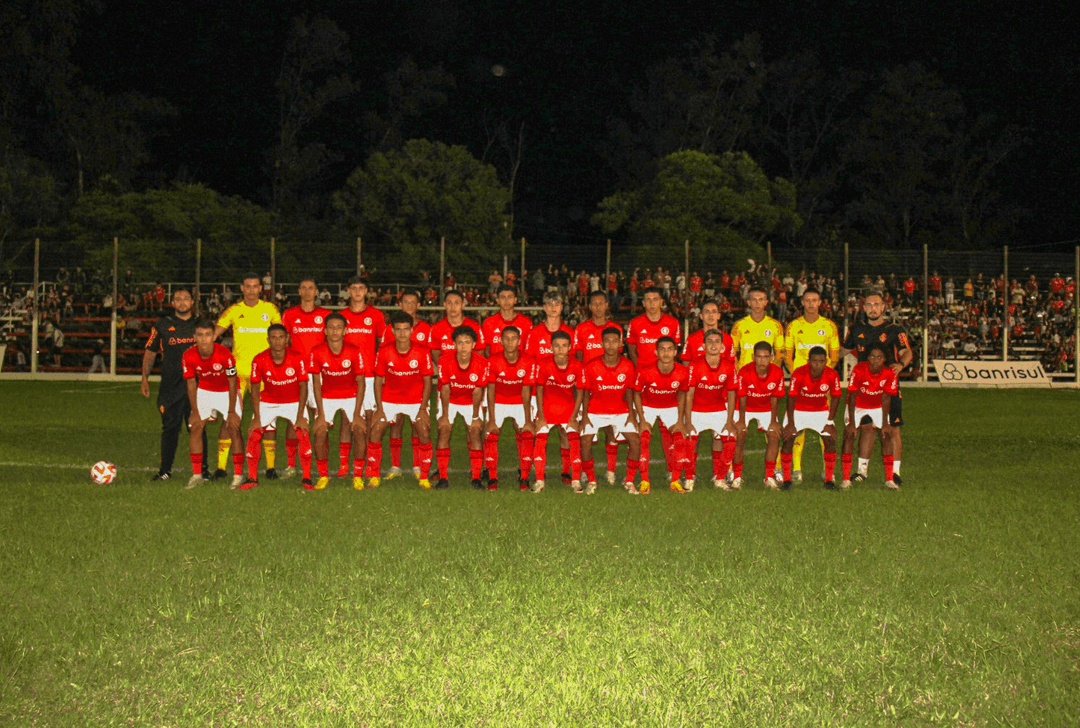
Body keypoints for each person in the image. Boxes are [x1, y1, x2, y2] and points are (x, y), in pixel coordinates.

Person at [839, 289, 913, 485]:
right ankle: (861, 472)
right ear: (864, 308)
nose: (873, 308)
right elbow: (844, 350)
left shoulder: (895, 329)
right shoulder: (856, 328)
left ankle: (895, 473)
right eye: (869, 305)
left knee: (892, 429)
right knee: (866, 428)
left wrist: (901, 364)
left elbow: (907, 352)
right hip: (864, 387)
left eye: (876, 305)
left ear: (883, 307)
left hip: (888, 387)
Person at [214, 272, 282, 479]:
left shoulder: (269, 309)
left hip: (264, 374)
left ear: (261, 288)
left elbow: (281, 336)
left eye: (255, 286)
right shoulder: (234, 311)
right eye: (248, 286)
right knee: (229, 418)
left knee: (269, 420)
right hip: (239, 374)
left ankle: (270, 468)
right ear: (242, 288)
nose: (251, 290)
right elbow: (214, 333)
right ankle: (221, 468)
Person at [141, 288, 207, 482]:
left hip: (197, 385)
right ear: (172, 303)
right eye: (178, 299)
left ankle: (203, 470)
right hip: (171, 386)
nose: (182, 302)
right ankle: (165, 470)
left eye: (186, 299)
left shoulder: (200, 324)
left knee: (197, 427)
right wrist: (144, 378)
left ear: (192, 303)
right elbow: (150, 352)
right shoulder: (162, 325)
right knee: (170, 427)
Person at [367, 312, 435, 488]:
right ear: (393, 331)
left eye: (406, 329)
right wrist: (380, 409)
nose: (402, 333)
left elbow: (428, 381)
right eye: (399, 330)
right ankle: (374, 476)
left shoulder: (422, 351)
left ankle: (424, 477)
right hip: (390, 399)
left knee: (423, 431)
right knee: (376, 430)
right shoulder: (384, 352)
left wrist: (422, 408)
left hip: (415, 400)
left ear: (411, 330)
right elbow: (378, 381)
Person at [240, 324, 311, 489]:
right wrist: (257, 418)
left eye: (281, 337)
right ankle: (252, 478)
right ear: (268, 340)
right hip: (268, 401)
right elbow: (255, 389)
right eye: (273, 337)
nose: (277, 341)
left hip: (293, 401)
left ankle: (306, 478)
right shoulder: (259, 359)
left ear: (287, 339)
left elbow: (303, 387)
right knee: (254, 434)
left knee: (302, 433)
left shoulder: (297, 357)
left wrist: (300, 415)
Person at [783, 288, 841, 483]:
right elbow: (787, 355)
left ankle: (827, 470)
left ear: (820, 303)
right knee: (797, 427)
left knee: (825, 428)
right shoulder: (793, 326)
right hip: (800, 383)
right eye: (807, 300)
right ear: (802, 302)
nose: (810, 303)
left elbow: (833, 355)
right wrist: (797, 375)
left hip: (823, 383)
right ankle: (797, 469)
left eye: (814, 300)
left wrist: (823, 375)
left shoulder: (829, 326)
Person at [576, 326, 641, 494]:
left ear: (620, 343)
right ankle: (591, 481)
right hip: (595, 411)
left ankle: (629, 481)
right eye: (607, 341)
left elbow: (629, 391)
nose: (611, 345)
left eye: (615, 341)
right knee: (584, 441)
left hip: (620, 411)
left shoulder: (627, 366)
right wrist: (584, 416)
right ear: (601, 344)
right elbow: (585, 392)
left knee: (635, 441)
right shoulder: (591, 365)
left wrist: (632, 415)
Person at [182, 319, 243, 489]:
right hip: (206, 390)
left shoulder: (224, 354)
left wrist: (231, 411)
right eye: (200, 335)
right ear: (194, 337)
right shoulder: (188, 355)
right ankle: (196, 475)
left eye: (208, 335)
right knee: (195, 426)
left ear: (213, 336)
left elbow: (232, 383)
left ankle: (238, 475)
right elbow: (191, 384)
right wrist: (194, 411)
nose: (204, 339)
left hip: (227, 391)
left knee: (234, 427)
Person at [378, 290, 432, 479]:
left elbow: (431, 356)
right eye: (405, 302)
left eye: (413, 302)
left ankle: (418, 466)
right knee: (396, 424)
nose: (409, 305)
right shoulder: (390, 329)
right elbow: (385, 355)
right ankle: (395, 466)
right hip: (394, 387)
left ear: (418, 306)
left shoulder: (426, 329)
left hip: (416, 389)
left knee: (418, 426)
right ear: (400, 304)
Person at [309, 312, 367, 490]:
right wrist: (320, 412)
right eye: (331, 327)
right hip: (327, 397)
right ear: (325, 331)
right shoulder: (317, 351)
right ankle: (323, 476)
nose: (335, 331)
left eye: (339, 327)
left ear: (345, 331)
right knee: (319, 432)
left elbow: (361, 383)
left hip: (350, 395)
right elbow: (316, 384)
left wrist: (357, 414)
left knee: (359, 430)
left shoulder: (354, 351)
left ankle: (357, 475)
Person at [280, 277, 330, 477]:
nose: (308, 292)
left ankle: (321, 464)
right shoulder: (290, 314)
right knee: (295, 418)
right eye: (304, 288)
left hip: (320, 374)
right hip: (297, 373)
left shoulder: (325, 315)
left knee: (320, 418)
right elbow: (283, 342)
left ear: (317, 292)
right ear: (299, 291)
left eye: (311, 288)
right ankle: (291, 466)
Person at [339, 276, 385, 478]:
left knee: (367, 421)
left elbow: (383, 344)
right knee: (345, 420)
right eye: (354, 288)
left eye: (361, 288)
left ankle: (366, 463)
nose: (357, 292)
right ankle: (343, 465)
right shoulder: (340, 316)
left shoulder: (375, 315)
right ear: (348, 290)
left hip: (368, 375)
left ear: (366, 291)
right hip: (345, 375)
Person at [632, 336, 689, 493]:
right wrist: (642, 419)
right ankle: (644, 481)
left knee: (680, 440)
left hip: (670, 406)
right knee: (643, 439)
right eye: (662, 349)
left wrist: (680, 419)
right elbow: (636, 393)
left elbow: (682, 394)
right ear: (656, 352)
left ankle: (675, 481)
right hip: (648, 405)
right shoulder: (645, 371)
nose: (666, 353)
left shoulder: (683, 372)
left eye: (669, 349)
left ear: (675, 352)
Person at [683, 330, 738, 490]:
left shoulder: (728, 366)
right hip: (696, 411)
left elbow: (731, 393)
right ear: (703, 345)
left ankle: (720, 479)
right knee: (689, 442)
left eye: (717, 341)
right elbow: (689, 394)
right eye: (710, 341)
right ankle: (689, 478)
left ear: (722, 346)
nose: (713, 344)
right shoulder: (694, 365)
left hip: (718, 410)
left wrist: (729, 421)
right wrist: (688, 420)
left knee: (731, 440)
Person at [483, 326, 537, 490]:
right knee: (491, 433)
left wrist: (528, 420)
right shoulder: (492, 360)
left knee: (527, 433)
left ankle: (524, 477)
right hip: (498, 400)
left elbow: (526, 391)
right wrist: (491, 419)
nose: (510, 342)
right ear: (500, 341)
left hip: (520, 401)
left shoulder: (529, 361)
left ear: (519, 341)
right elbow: (490, 391)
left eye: (513, 338)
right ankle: (492, 478)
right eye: (506, 338)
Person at [434, 326, 488, 489]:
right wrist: (444, 415)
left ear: (473, 344)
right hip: (449, 399)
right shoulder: (444, 361)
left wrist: (475, 416)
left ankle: (476, 477)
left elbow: (478, 391)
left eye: (467, 342)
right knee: (444, 429)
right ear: (454, 344)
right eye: (459, 342)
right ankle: (443, 476)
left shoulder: (482, 363)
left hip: (471, 400)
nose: (463, 346)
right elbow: (445, 389)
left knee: (475, 432)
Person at [531, 330, 584, 492]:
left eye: (564, 346)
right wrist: (540, 415)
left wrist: (575, 416)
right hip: (547, 408)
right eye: (557, 346)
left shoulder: (577, 365)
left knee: (573, 442)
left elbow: (580, 392)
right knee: (540, 442)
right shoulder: (544, 364)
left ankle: (575, 480)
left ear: (570, 347)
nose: (560, 349)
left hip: (568, 409)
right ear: (551, 347)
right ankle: (539, 480)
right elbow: (539, 390)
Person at [781, 346, 841, 490]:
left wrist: (830, 422)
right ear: (809, 361)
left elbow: (836, 398)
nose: (818, 365)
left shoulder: (832, 375)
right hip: (798, 410)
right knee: (788, 439)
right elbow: (791, 399)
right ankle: (787, 480)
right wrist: (790, 423)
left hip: (820, 411)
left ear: (826, 361)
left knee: (830, 440)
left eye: (821, 361)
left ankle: (828, 479)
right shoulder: (799, 373)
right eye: (814, 361)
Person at [842, 344, 899, 490]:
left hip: (877, 406)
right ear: (868, 357)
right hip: (857, 405)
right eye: (872, 356)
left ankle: (889, 479)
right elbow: (852, 396)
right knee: (849, 435)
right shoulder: (859, 369)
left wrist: (885, 423)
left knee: (886, 435)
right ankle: (846, 479)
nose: (875, 360)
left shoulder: (889, 372)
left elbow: (886, 398)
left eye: (879, 357)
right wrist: (853, 424)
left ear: (884, 359)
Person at [733, 342, 784, 489]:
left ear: (772, 357)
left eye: (766, 357)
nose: (762, 360)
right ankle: (737, 476)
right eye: (759, 357)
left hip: (766, 407)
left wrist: (773, 421)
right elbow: (742, 397)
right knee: (740, 434)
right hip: (745, 407)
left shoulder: (777, 372)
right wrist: (742, 421)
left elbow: (775, 398)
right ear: (753, 357)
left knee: (774, 435)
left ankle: (768, 477)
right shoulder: (744, 372)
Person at [626, 289, 681, 368]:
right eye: (648, 300)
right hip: (643, 370)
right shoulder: (634, 323)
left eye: (655, 299)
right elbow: (631, 348)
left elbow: (675, 348)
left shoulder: (673, 322)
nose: (652, 303)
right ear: (644, 303)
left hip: (664, 371)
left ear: (661, 302)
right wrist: (638, 366)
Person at [731, 286, 784, 369]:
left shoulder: (775, 325)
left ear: (766, 302)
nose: (757, 303)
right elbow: (731, 352)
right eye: (754, 300)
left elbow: (780, 354)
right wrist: (738, 371)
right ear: (749, 302)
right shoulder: (739, 325)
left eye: (761, 299)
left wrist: (774, 372)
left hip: (767, 374)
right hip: (745, 374)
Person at [482, 284, 533, 359]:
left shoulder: (526, 322)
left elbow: (529, 349)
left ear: (515, 300)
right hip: (496, 368)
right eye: (503, 297)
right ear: (497, 300)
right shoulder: (489, 322)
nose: (506, 301)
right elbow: (486, 349)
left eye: (510, 297)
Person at [524, 290, 574, 359]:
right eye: (550, 304)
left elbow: (572, 361)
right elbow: (528, 360)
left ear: (562, 307)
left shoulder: (570, 333)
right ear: (544, 307)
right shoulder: (534, 333)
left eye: (557, 304)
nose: (554, 308)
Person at [682, 300, 735, 364]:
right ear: (701, 316)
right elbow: (685, 362)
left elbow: (731, 364)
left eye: (714, 312)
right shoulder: (692, 339)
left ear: (719, 316)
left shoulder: (728, 339)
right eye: (707, 312)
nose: (711, 315)